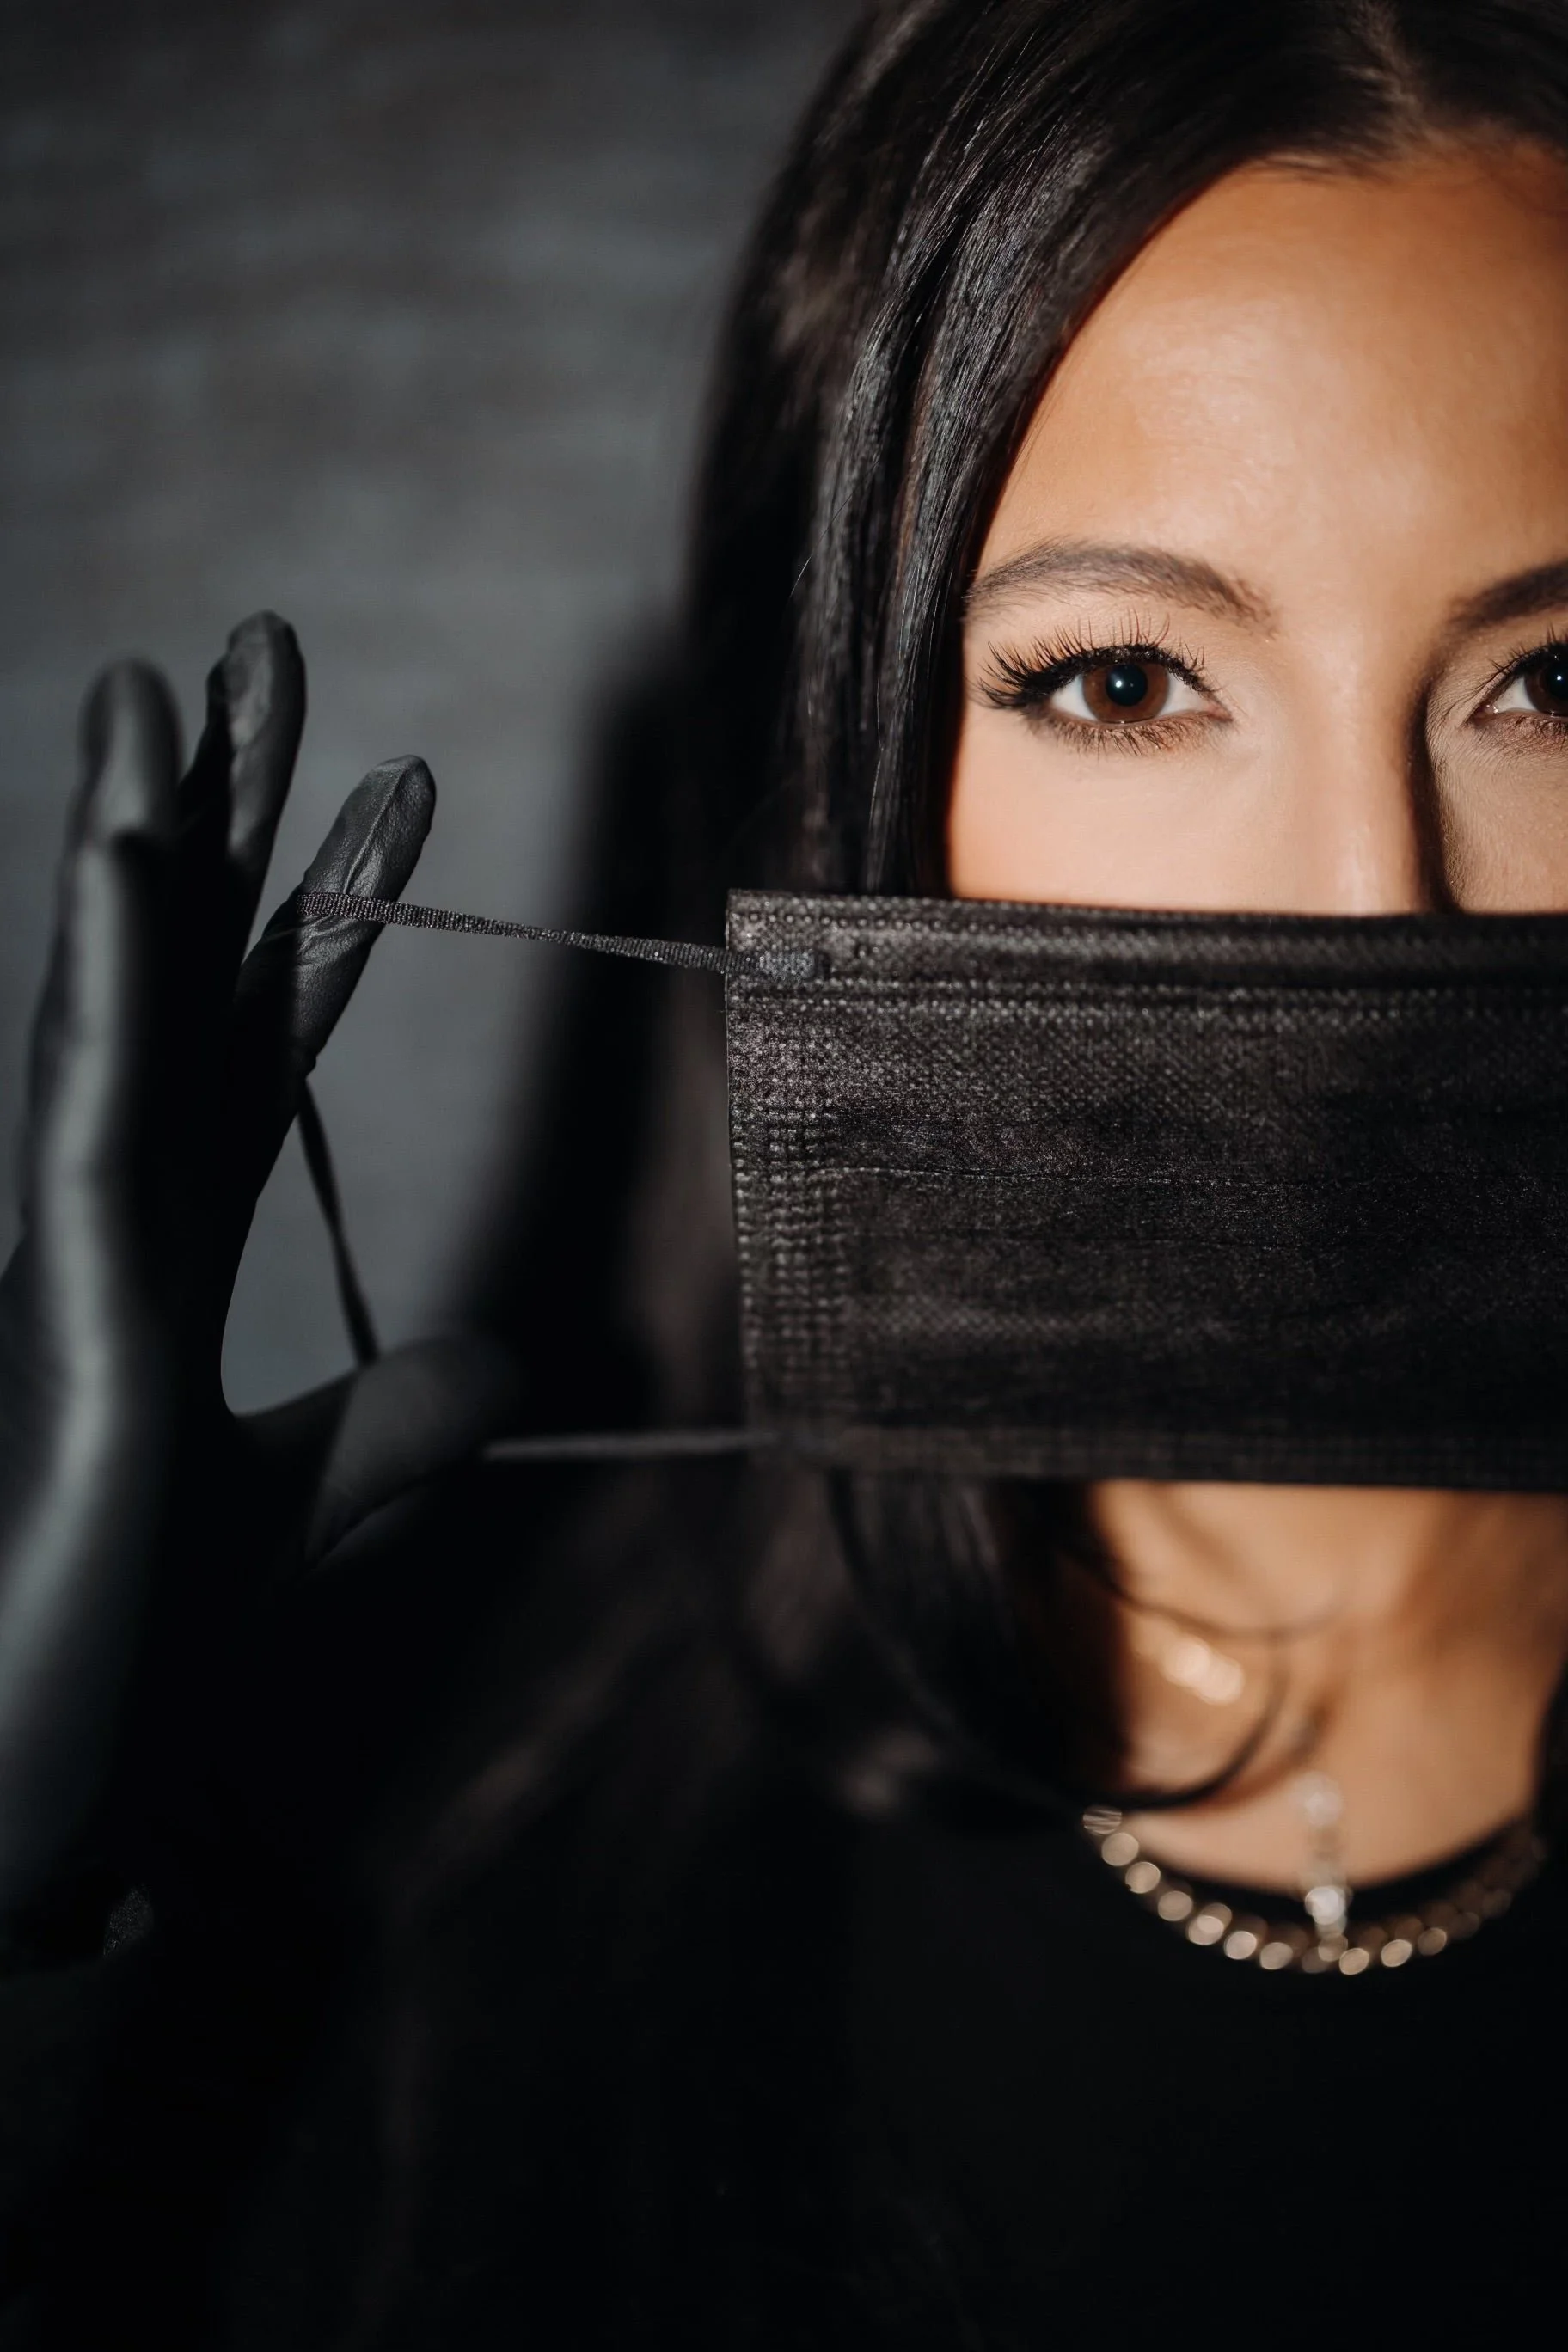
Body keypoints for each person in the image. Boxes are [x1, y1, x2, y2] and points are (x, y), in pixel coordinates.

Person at [3, 1, 1568, 2342]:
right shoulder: (434, 1850)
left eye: (1557, 683)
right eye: (1126, 684)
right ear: (854, 773)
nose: (1368, 896)